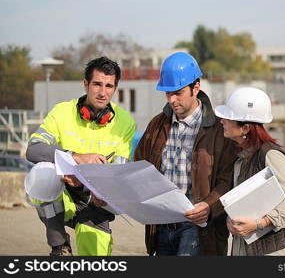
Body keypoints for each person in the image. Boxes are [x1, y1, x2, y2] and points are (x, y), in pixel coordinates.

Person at [26, 56, 136, 256]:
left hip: (96, 202)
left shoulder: (126, 123)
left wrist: (96, 189)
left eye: (109, 86)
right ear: (86, 84)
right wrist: (74, 157)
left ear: (115, 88)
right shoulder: (62, 112)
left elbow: (119, 172)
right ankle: (60, 246)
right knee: (41, 173)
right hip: (62, 195)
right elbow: (33, 149)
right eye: (97, 84)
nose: (103, 92)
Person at [134, 52, 237, 256]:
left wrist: (209, 206)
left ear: (196, 88)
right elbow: (140, 167)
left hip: (197, 228)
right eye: (167, 93)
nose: (172, 100)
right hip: (161, 226)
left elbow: (229, 180)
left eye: (178, 92)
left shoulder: (219, 129)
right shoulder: (157, 125)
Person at [214, 87, 285, 256]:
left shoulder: (271, 155)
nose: (222, 121)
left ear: (245, 128)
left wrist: (261, 223)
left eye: (228, 118)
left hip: (274, 251)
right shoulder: (241, 157)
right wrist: (231, 221)